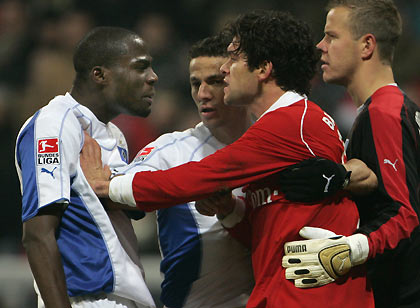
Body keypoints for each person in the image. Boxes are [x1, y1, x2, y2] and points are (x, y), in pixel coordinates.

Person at [80, 10, 374, 308]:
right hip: (287, 295)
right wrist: (231, 210)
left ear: (263, 69)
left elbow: (203, 175)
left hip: (316, 299)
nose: (225, 68)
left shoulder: (290, 123)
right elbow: (268, 235)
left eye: (233, 59)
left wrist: (108, 186)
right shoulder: (290, 125)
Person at [279, 1, 420, 307]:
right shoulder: (395, 109)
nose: (321, 46)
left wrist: (351, 248)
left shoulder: (384, 113)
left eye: (331, 36)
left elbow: (405, 215)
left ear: (366, 45)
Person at [15, 27, 158, 308]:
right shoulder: (54, 125)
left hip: (125, 297)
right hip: (86, 299)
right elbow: (37, 235)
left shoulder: (114, 135)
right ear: (100, 75)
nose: (152, 77)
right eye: (140, 67)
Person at [112, 34, 254, 308]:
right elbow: (114, 196)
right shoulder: (170, 152)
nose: (202, 94)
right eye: (195, 83)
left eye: (214, 81)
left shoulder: (273, 144)